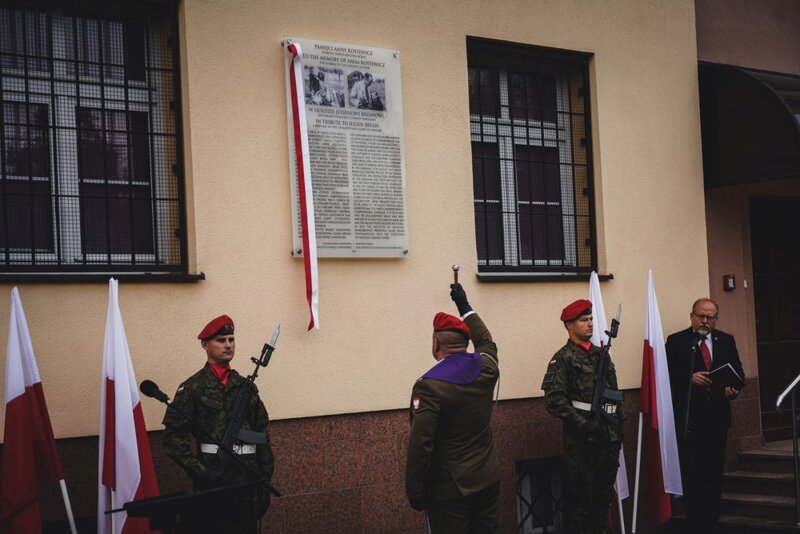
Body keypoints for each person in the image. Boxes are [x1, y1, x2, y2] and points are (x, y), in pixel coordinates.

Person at [163, 315, 275, 534]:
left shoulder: (245, 387)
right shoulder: (193, 388)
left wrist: (263, 480)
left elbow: (261, 436)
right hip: (213, 481)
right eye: (221, 340)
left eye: (231, 339)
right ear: (205, 345)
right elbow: (174, 439)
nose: (228, 345)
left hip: (246, 481)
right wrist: (202, 472)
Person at [405, 283, 500, 533]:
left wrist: (415, 492)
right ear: (466, 342)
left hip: (450, 490)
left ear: (436, 342)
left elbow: (421, 445)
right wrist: (464, 306)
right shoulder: (488, 368)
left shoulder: (429, 387)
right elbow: (486, 341)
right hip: (487, 479)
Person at [541, 299, 623, 534]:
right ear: (569, 325)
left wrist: (618, 433)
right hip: (581, 444)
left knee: (601, 502)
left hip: (607, 440)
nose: (590, 324)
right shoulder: (563, 358)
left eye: (590, 319)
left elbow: (614, 397)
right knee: (580, 505)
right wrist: (584, 426)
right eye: (583, 320)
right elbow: (554, 401)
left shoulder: (601, 355)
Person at [666, 298, 744, 534]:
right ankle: (695, 523)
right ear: (691, 315)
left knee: (713, 472)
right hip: (690, 419)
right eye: (701, 316)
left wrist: (733, 389)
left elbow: (737, 372)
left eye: (710, 317)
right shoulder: (678, 341)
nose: (705, 321)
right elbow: (666, 374)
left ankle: (712, 522)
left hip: (717, 418)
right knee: (693, 474)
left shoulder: (726, 340)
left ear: (716, 319)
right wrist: (689, 378)